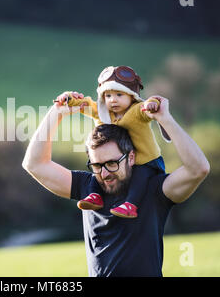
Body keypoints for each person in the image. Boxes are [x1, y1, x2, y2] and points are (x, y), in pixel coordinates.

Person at [22, 94, 209, 277]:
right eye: (97, 165)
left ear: (131, 157)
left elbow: (198, 169)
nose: (104, 174)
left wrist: (164, 118)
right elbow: (35, 164)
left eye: (112, 163)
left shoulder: (154, 189)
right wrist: (57, 112)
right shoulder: (87, 187)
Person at [54, 65, 171, 218]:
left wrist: (153, 103)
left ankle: (131, 204)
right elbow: (86, 104)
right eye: (108, 96)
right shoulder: (103, 113)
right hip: (118, 162)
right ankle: (95, 196)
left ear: (131, 96)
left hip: (146, 161)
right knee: (99, 169)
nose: (113, 100)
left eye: (119, 95)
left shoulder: (136, 111)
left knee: (139, 177)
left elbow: (150, 103)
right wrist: (68, 97)